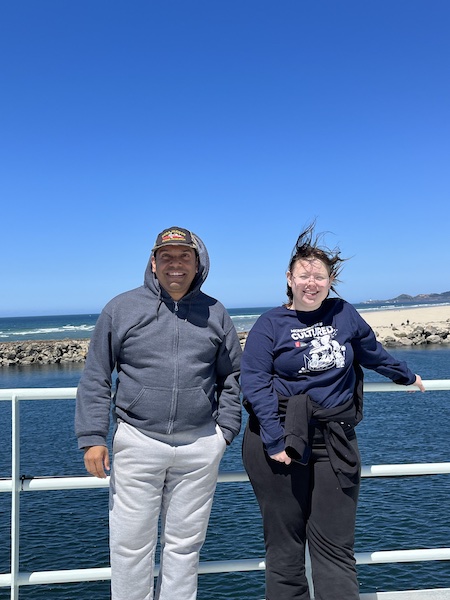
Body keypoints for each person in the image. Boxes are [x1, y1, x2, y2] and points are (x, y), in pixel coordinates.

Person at [240, 223, 425, 600]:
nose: (311, 283)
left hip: (334, 438)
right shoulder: (268, 325)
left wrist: (406, 376)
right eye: (303, 276)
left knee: (334, 546)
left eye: (319, 276)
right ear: (289, 279)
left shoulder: (344, 313)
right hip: (277, 441)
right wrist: (275, 439)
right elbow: (254, 382)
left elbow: (372, 352)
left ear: (330, 280)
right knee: (286, 549)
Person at [75, 226, 242, 600]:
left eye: (185, 256)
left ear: (198, 264)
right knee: (130, 549)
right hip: (137, 441)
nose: (175, 264)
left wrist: (225, 431)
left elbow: (233, 374)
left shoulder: (216, 312)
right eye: (166, 257)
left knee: (184, 549)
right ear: (153, 263)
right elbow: (97, 375)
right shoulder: (121, 308)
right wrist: (92, 438)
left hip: (200, 446)